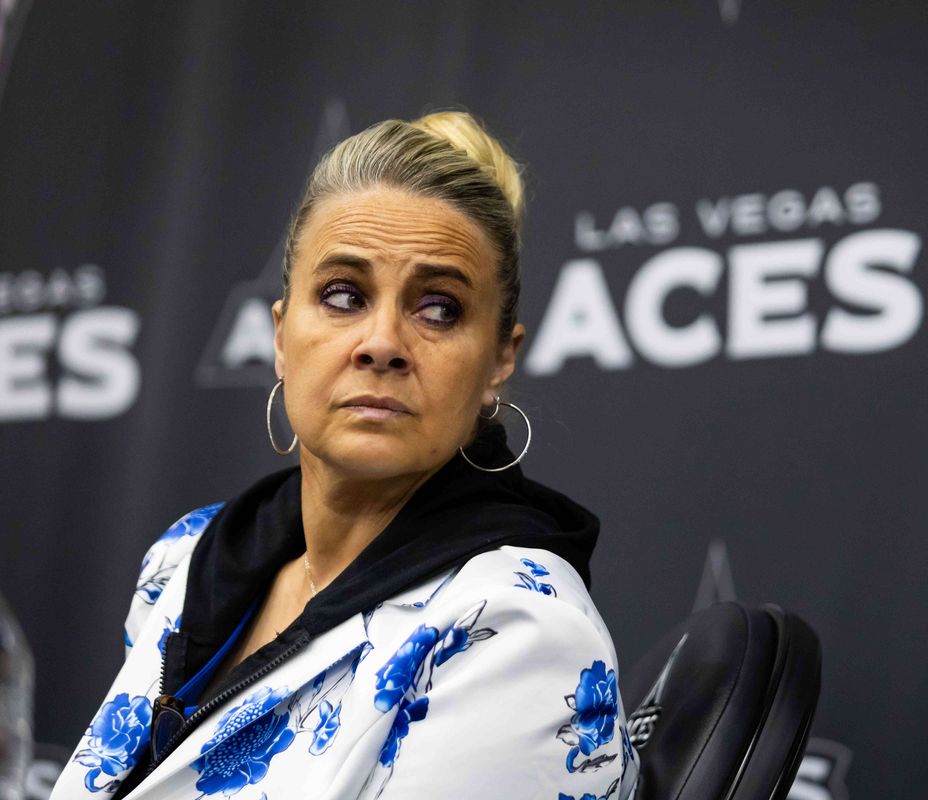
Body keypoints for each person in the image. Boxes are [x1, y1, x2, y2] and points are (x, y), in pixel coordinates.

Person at [51, 112, 639, 800]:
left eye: (440, 309)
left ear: (499, 361)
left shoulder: (518, 633)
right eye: (343, 295)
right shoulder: (185, 561)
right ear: (280, 335)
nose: (382, 341)